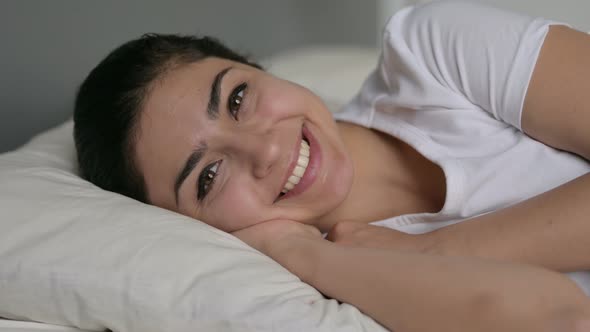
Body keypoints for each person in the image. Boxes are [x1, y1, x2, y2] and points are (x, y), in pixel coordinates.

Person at [73, 1, 590, 331]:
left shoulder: (430, 53)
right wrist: (307, 258)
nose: (265, 151)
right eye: (207, 176)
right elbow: (558, 317)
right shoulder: (317, 283)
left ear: (260, 69)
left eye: (237, 99)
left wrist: (433, 250)